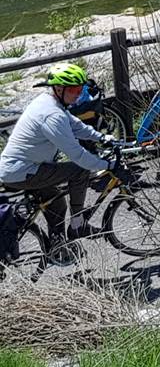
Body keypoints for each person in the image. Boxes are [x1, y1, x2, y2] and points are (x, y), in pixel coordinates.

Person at [0, 63, 115, 250]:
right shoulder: (51, 115)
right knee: (79, 171)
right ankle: (78, 226)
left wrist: (102, 137)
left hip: (25, 167)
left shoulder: (51, 102)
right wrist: (107, 165)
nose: (79, 93)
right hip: (22, 172)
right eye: (75, 89)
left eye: (81, 89)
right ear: (59, 88)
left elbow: (76, 126)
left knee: (57, 203)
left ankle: (57, 246)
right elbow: (77, 155)